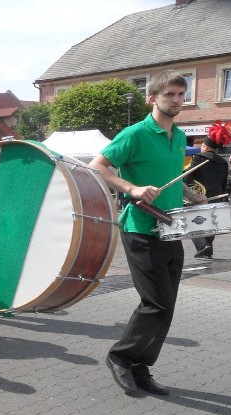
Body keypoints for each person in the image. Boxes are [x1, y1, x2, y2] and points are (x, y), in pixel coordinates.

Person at [88, 71, 195, 397]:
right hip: (140, 229)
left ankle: (141, 367)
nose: (176, 100)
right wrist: (131, 187)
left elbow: (170, 176)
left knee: (167, 306)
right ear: (153, 98)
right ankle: (120, 356)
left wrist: (192, 194)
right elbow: (97, 167)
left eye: (180, 94)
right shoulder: (134, 134)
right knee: (156, 304)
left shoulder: (178, 137)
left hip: (171, 228)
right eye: (170, 94)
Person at [186, 123, 231, 259]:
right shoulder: (223, 162)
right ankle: (207, 247)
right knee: (212, 222)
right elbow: (224, 183)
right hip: (218, 196)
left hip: (201, 196)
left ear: (205, 146)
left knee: (192, 220)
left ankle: (202, 246)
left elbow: (188, 177)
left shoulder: (199, 158)